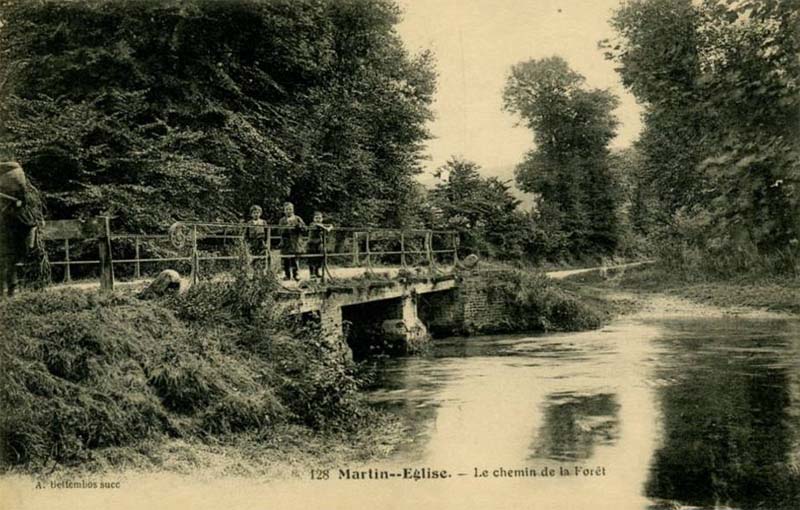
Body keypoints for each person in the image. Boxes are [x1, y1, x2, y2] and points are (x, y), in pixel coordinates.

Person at [278, 202, 306, 280]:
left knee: (294, 258)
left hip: (295, 241)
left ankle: (296, 274)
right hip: (286, 242)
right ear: (284, 211)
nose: (288, 211)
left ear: (293, 210)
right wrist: (286, 228)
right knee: (286, 259)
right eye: (287, 209)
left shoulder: (297, 218)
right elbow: (279, 231)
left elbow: (305, 229)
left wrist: (299, 227)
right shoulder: (282, 220)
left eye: (290, 209)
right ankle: (287, 275)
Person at [307, 211, 333, 279]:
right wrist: (327, 228)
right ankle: (311, 273)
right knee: (312, 258)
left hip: (319, 243)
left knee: (320, 257)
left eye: (319, 218)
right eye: (316, 218)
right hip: (311, 244)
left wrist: (329, 227)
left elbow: (331, 225)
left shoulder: (322, 225)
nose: (318, 219)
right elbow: (318, 225)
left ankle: (317, 271)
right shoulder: (312, 224)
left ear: (322, 219)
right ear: (313, 219)